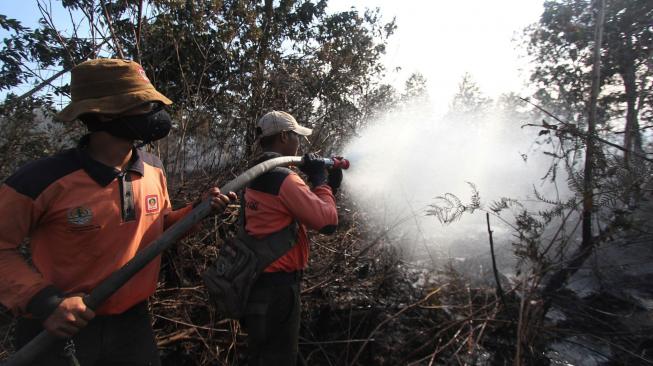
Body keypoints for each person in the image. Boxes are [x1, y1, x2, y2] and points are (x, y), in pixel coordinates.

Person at [0, 58, 234, 365]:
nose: (155, 113)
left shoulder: (152, 169)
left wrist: (197, 211)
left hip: (131, 325)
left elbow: (160, 228)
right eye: (143, 104)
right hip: (58, 329)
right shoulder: (40, 180)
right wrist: (45, 301)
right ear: (103, 114)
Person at [242, 110, 342, 365]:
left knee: (261, 356)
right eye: (297, 136)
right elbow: (328, 222)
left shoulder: (255, 175)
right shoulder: (284, 179)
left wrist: (330, 186)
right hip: (278, 292)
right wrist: (320, 180)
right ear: (285, 136)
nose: (300, 143)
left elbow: (297, 207)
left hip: (256, 284)